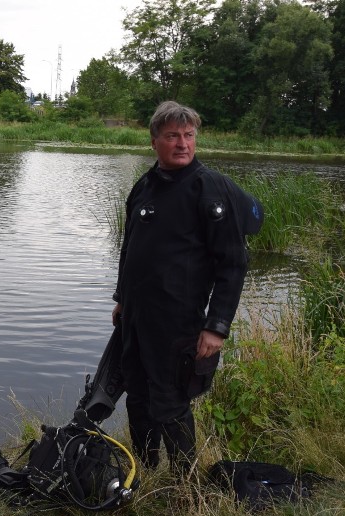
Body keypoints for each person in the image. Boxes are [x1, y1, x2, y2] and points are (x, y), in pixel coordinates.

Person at [112, 101, 263, 475]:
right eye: (172, 136)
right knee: (138, 396)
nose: (182, 143)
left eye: (189, 135)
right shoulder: (144, 186)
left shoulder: (208, 189)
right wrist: (121, 299)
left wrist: (216, 326)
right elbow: (130, 248)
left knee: (170, 402)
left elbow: (233, 262)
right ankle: (145, 473)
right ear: (154, 142)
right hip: (136, 317)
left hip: (180, 321)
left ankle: (185, 485)